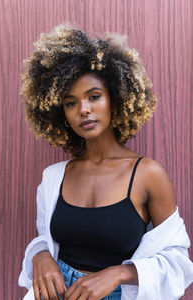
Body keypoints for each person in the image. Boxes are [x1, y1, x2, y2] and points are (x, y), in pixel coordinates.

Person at [18, 22, 193, 300]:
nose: (84, 110)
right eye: (70, 103)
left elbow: (177, 263)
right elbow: (46, 240)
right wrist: (39, 255)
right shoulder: (53, 177)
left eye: (94, 97)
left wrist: (119, 274)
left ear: (117, 98)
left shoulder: (148, 174)